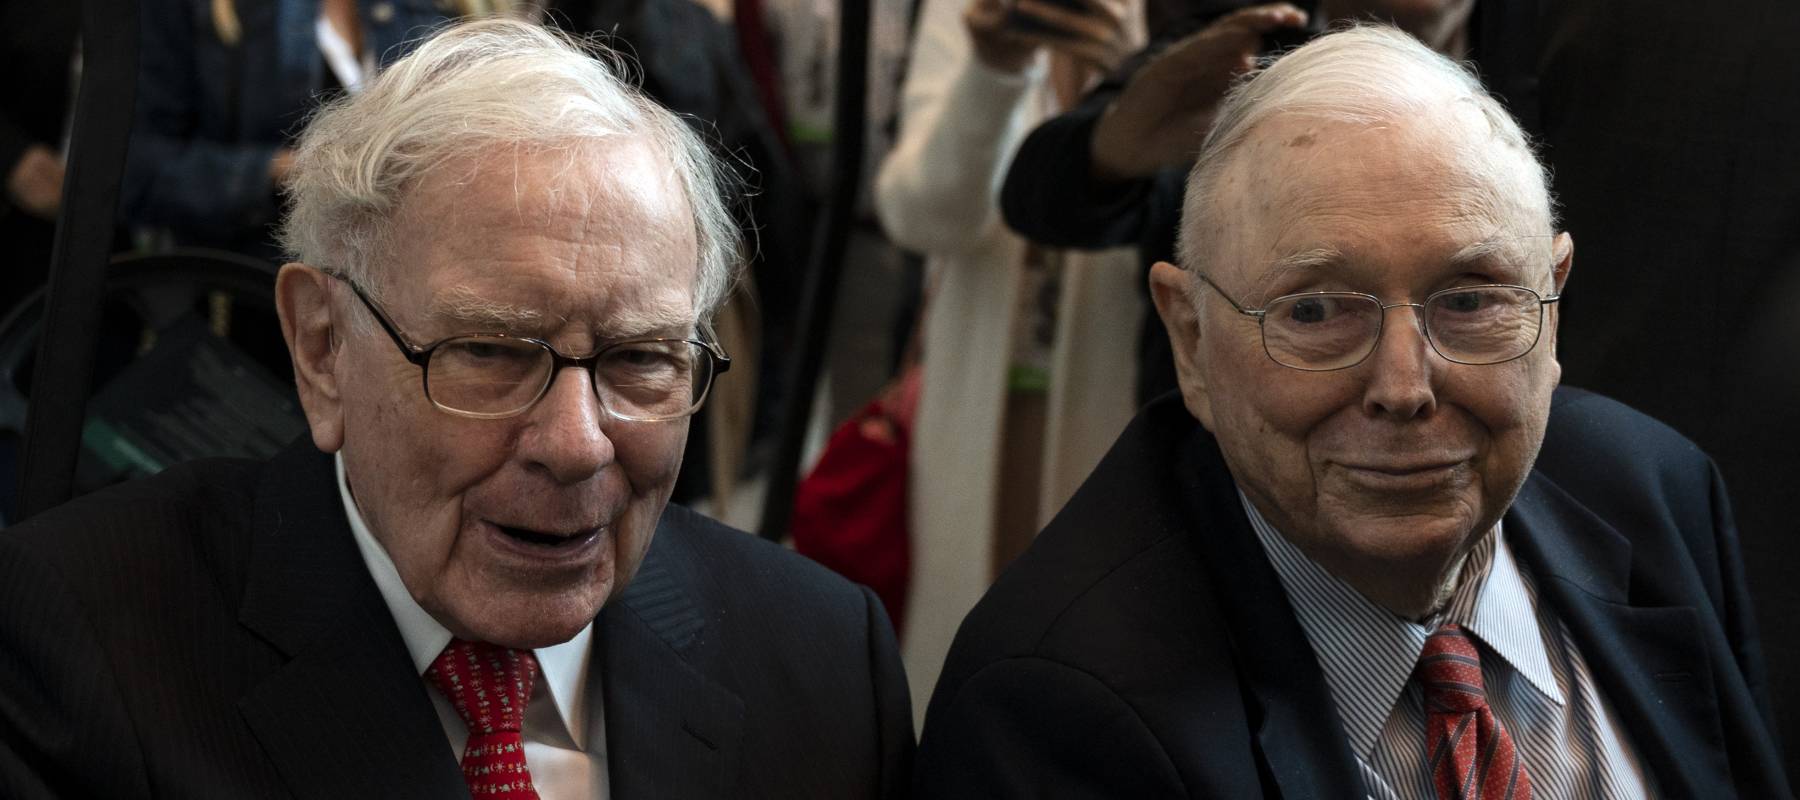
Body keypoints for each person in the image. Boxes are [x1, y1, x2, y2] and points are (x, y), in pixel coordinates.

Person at [0, 19, 912, 799]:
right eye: (490, 354)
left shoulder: (825, 661)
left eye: (640, 359)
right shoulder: (82, 652)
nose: (576, 444)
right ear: (321, 349)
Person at [914, 25, 1790, 798]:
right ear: (1190, 340)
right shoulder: (1061, 708)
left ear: (1552, 303)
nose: (1405, 387)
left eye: (1471, 301)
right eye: (1315, 312)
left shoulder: (1656, 490)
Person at [871, 0, 1140, 721]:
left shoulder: (1179, 17)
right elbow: (922, 217)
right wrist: (994, 70)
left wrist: (1134, 76)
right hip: (976, 398)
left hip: (1122, 402)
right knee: (961, 659)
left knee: (1108, 675)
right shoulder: (972, 11)